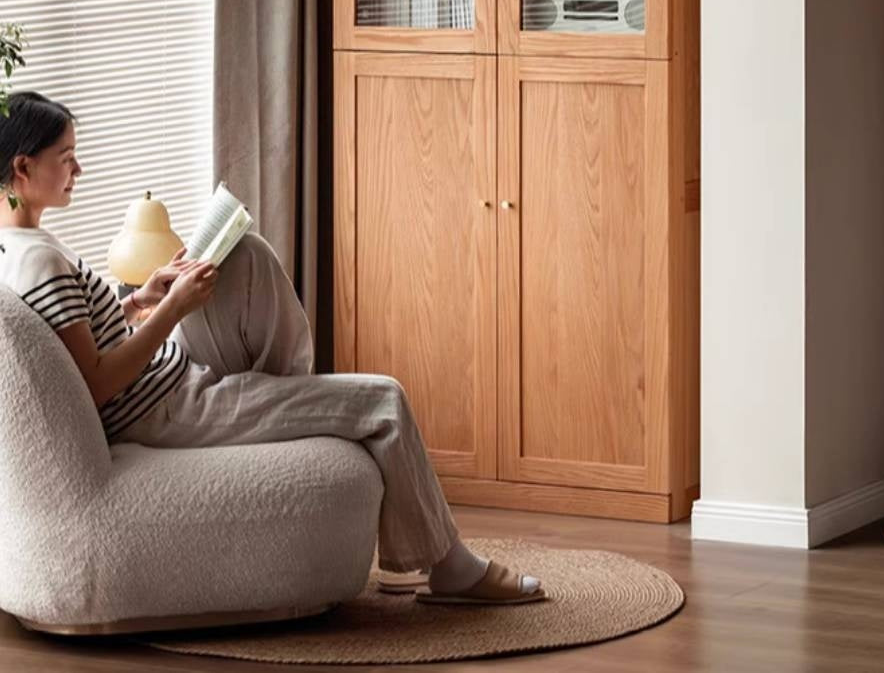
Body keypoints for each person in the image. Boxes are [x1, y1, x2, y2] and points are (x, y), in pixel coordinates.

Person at [0, 91, 545, 606]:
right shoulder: (39, 260)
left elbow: (74, 345)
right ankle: (448, 566)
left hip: (169, 378)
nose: (79, 170)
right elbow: (95, 382)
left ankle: (293, 403)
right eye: (66, 158)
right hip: (168, 409)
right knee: (385, 400)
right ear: (22, 169)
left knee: (243, 258)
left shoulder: (18, 247)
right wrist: (173, 310)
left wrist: (140, 297)